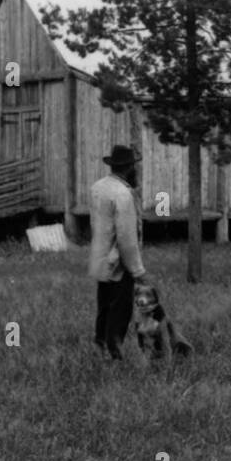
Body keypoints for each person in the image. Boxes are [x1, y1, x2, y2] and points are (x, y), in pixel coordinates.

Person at [90, 144, 148, 360]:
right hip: (118, 262)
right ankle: (114, 354)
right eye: (135, 167)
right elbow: (127, 239)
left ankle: (100, 347)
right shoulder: (123, 195)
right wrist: (138, 270)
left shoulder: (98, 188)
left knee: (104, 307)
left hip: (100, 258)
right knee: (120, 311)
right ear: (129, 168)